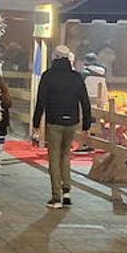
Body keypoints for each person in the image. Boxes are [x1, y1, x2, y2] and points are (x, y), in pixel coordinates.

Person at [31, 44, 92, 209]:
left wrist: (36, 123)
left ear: (55, 57)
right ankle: (67, 192)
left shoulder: (48, 76)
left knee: (54, 158)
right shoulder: (76, 77)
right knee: (66, 156)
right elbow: (85, 102)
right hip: (71, 122)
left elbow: (41, 101)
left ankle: (56, 197)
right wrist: (86, 123)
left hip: (54, 122)